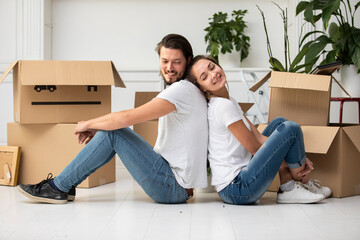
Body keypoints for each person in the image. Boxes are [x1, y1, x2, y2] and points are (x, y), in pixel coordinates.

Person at [17, 34, 209, 204]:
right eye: (165, 61)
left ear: (188, 61)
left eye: (176, 62)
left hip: (171, 187)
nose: (169, 68)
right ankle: (63, 186)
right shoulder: (186, 90)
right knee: (111, 132)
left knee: (114, 133)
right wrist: (99, 127)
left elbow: (126, 118)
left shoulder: (182, 90)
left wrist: (88, 124)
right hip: (175, 184)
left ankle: (58, 187)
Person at [186, 55, 331, 204]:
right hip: (237, 188)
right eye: (205, 77)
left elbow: (258, 137)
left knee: (279, 123)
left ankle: (289, 188)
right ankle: (300, 180)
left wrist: (296, 158)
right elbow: (255, 148)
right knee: (291, 129)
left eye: (212, 67)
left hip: (243, 177)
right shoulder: (223, 107)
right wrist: (297, 160)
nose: (213, 74)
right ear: (202, 87)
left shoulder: (229, 101)